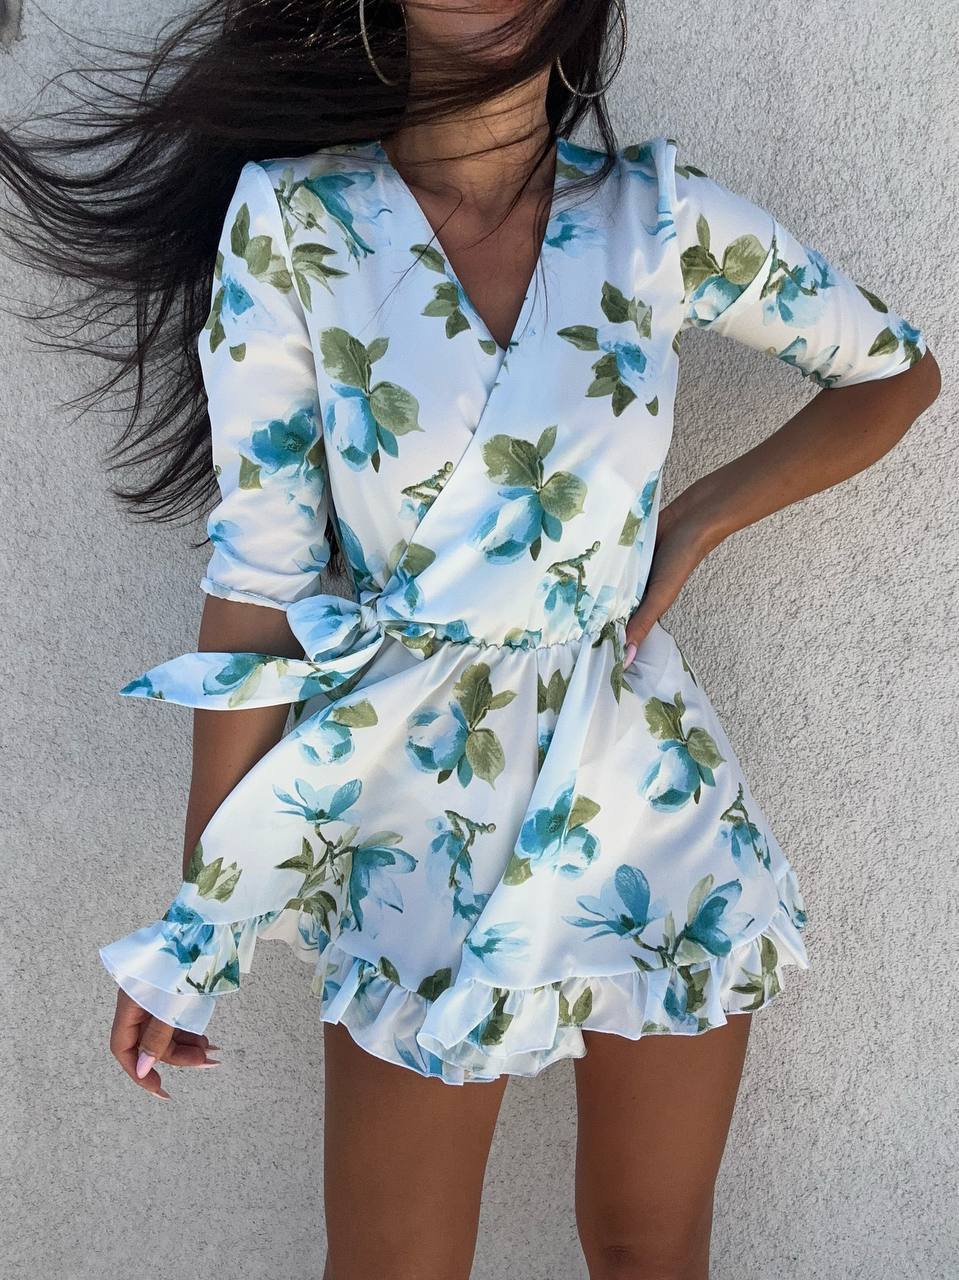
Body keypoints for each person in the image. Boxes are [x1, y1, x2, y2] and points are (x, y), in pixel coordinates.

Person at [1, 2, 939, 1277]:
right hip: (411, 817)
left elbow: (893, 371)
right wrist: (199, 925)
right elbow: (257, 582)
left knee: (649, 1246)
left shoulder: (657, 220)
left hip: (643, 795)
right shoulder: (296, 223)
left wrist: (697, 521)